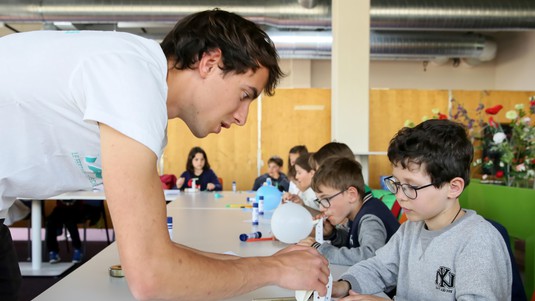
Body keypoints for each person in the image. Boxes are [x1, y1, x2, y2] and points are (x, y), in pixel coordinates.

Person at [0, 9, 329, 301]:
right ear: (209, 62)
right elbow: (152, 276)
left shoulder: (141, 91)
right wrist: (274, 271)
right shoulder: (132, 78)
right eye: (244, 95)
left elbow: (157, 253)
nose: (242, 117)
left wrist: (270, 263)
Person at [331, 119, 512, 300]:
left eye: (411, 186)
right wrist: (343, 285)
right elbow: (379, 267)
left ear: (454, 187)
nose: (399, 195)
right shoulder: (410, 229)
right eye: (397, 183)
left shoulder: (478, 241)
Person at [297, 157, 400, 267]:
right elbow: (353, 242)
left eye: (325, 199)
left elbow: (370, 255)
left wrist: (322, 249)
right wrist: (333, 234)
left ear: (351, 195)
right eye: (319, 201)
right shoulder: (356, 212)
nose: (322, 208)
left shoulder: (370, 218)